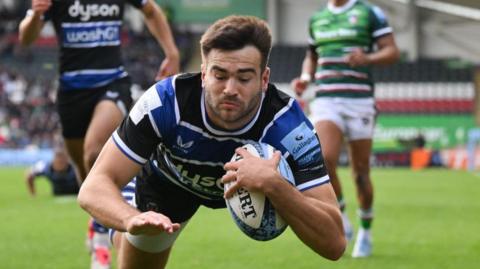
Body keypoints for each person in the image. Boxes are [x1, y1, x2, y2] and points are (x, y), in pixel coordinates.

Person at [78, 15, 346, 269]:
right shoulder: (165, 102)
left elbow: (334, 243)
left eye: (243, 77)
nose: (230, 89)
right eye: (219, 76)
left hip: (245, 181)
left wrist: (275, 185)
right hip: (168, 182)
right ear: (204, 74)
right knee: (139, 242)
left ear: (264, 79)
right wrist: (131, 218)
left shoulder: (290, 128)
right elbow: (92, 187)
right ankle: (121, 221)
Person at [18, 0, 180, 268]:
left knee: (94, 153)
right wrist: (35, 14)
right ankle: (97, 225)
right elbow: (26, 37)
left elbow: (151, 10)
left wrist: (171, 52)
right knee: (87, 179)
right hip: (71, 92)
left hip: (112, 82)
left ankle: (102, 242)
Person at [291, 0, 400, 258]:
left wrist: (368, 57)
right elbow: (312, 56)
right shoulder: (317, 18)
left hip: (359, 101)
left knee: (360, 173)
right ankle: (341, 215)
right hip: (327, 99)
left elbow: (392, 51)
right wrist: (306, 78)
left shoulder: (368, 12)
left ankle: (366, 230)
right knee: (324, 158)